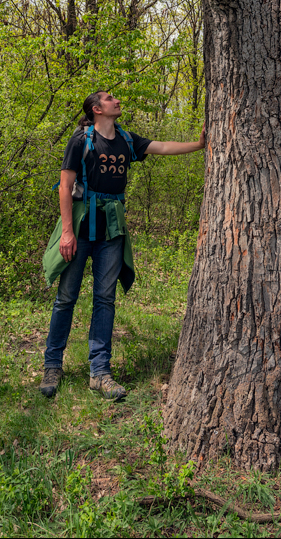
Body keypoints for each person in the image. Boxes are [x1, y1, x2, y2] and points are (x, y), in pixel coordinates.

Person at [40, 89, 205, 400]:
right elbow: (65, 186)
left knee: (105, 299)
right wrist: (66, 233)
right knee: (66, 298)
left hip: (111, 232)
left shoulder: (126, 139)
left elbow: (163, 146)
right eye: (109, 98)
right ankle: (52, 366)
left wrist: (199, 144)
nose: (116, 100)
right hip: (80, 226)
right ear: (96, 109)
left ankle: (100, 373)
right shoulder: (81, 140)